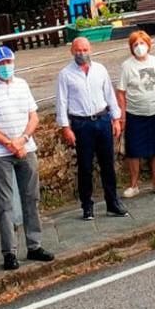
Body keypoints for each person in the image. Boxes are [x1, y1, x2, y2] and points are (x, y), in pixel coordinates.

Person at [0, 46, 54, 270]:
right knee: (5, 204)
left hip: (25, 148)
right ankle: (9, 251)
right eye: (0, 64)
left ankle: (34, 244)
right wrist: (9, 143)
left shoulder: (22, 85)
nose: (5, 67)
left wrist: (22, 140)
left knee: (31, 197)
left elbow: (34, 117)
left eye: (8, 62)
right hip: (0, 153)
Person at [55, 37, 127, 220]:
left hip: (102, 120)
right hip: (81, 124)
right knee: (85, 166)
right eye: (78, 50)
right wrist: (66, 127)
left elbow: (109, 95)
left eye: (85, 49)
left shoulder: (100, 70)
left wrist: (116, 119)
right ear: (72, 51)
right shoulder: (65, 74)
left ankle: (113, 203)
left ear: (90, 49)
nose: (82, 53)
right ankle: (87, 206)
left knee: (108, 164)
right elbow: (61, 102)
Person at [116, 30, 155, 197]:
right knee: (133, 149)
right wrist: (122, 115)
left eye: (142, 43)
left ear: (149, 45)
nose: (139, 47)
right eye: (135, 44)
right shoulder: (127, 66)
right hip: (135, 113)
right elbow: (121, 91)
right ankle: (134, 184)